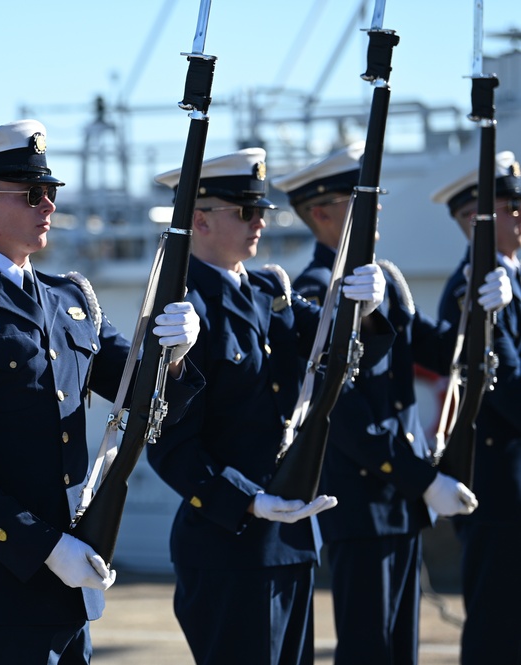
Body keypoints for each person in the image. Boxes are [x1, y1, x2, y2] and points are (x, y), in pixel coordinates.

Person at [0, 119, 205, 664]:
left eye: (51, 192)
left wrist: (175, 358)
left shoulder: (70, 300)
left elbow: (142, 399)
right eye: (33, 194)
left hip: (70, 579)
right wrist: (44, 546)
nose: (49, 206)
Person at [146, 147, 392, 665]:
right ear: (198, 220)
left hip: (289, 539)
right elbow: (168, 448)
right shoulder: (183, 312)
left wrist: (364, 314)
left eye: (262, 211)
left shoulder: (265, 292)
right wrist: (247, 501)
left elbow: (340, 359)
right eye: (245, 211)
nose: (261, 222)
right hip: (227, 545)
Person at [272, 143, 506, 664]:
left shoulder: (386, 283)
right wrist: (425, 481)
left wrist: (479, 306)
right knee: (369, 649)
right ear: (321, 212)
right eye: (363, 201)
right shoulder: (313, 292)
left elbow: (443, 352)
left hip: (400, 499)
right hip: (359, 499)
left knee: (401, 650)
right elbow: (344, 417)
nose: (376, 211)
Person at [431, 150, 521, 665]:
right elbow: (506, 388)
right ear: (474, 220)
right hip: (498, 489)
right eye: (510, 207)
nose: (519, 215)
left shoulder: (509, 280)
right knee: (496, 631)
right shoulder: (474, 289)